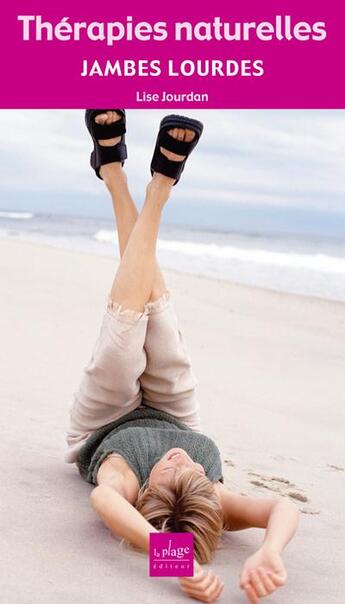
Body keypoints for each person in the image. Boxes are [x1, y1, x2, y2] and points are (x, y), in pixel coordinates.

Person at [65, 110, 299, 604]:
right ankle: (128, 177)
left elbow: (104, 499)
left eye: (169, 472)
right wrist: (271, 551)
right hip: (176, 412)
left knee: (126, 322)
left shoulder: (124, 481)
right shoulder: (211, 496)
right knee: (157, 305)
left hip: (106, 420)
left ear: (147, 493)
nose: (178, 461)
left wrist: (172, 557)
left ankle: (145, 182)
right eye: (190, 469)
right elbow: (279, 508)